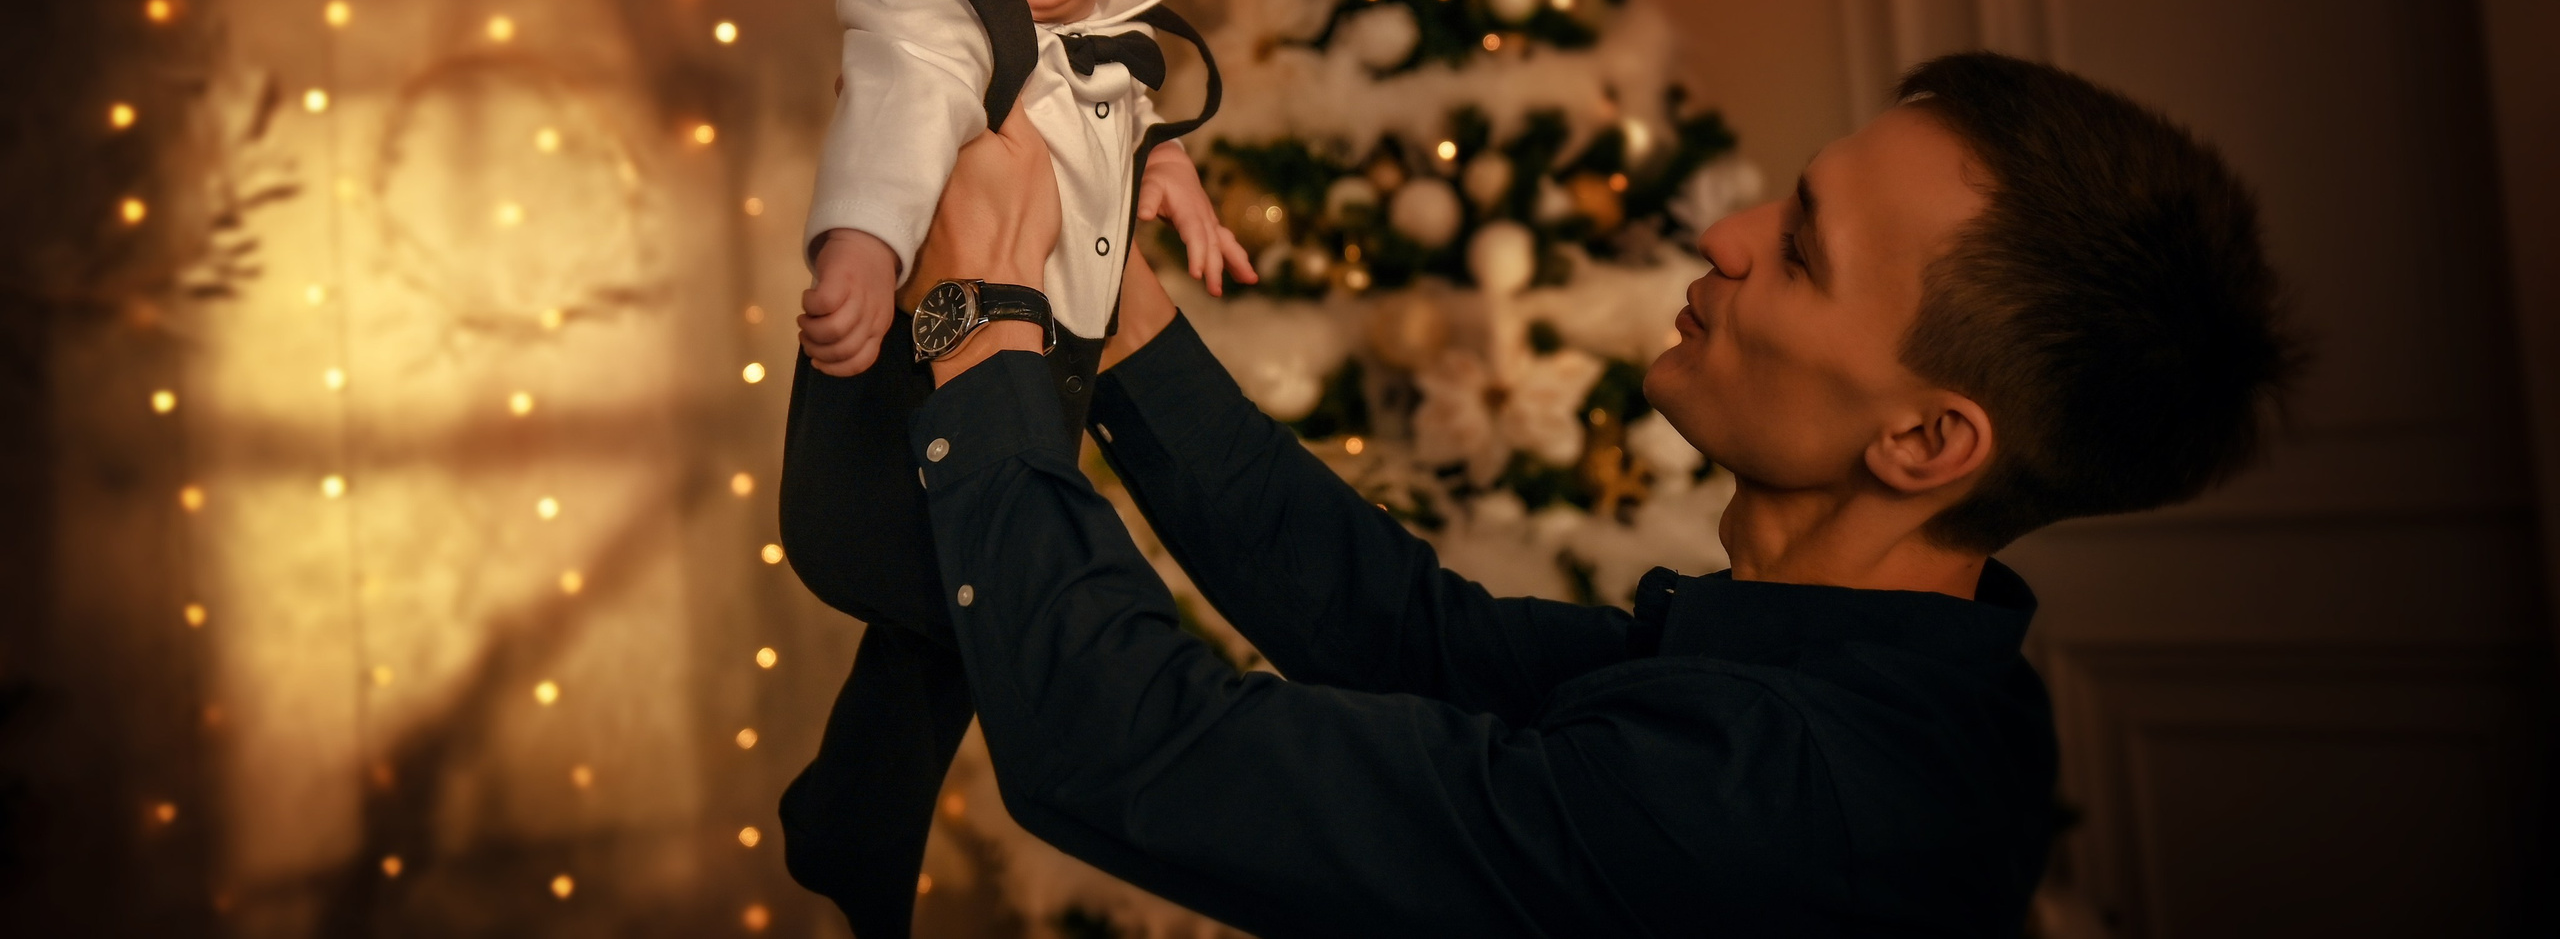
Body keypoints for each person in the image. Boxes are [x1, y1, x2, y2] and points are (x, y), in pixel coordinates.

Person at [888, 51, 2302, 936]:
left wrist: (979, 320)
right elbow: (1413, 639)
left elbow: (1135, 757)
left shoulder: (1772, 798)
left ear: (1928, 443)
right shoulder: (1885, 659)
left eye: (1802, 253)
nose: (1727, 231)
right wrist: (1116, 315)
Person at [776, 0, 1257, 939]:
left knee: (959, 616)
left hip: (1048, 375)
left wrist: (1179, 191)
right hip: (931, 371)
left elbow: (1126, 126)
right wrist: (863, 248)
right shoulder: (933, 17)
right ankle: (857, 820)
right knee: (946, 595)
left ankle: (854, 816)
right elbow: (893, 119)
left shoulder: (1112, 39)